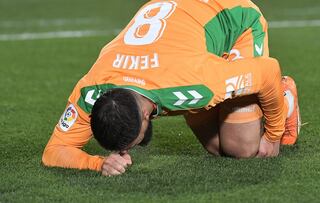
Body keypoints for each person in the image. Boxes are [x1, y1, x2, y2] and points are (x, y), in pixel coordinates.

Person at [42, 0, 300, 176]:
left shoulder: (196, 83)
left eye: (130, 144)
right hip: (184, 41)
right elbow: (54, 152)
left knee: (243, 149)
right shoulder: (92, 89)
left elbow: (268, 72)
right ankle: (231, 87)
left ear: (146, 116)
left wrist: (273, 134)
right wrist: (97, 163)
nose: (125, 152)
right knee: (219, 148)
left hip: (235, 19)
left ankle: (286, 96)